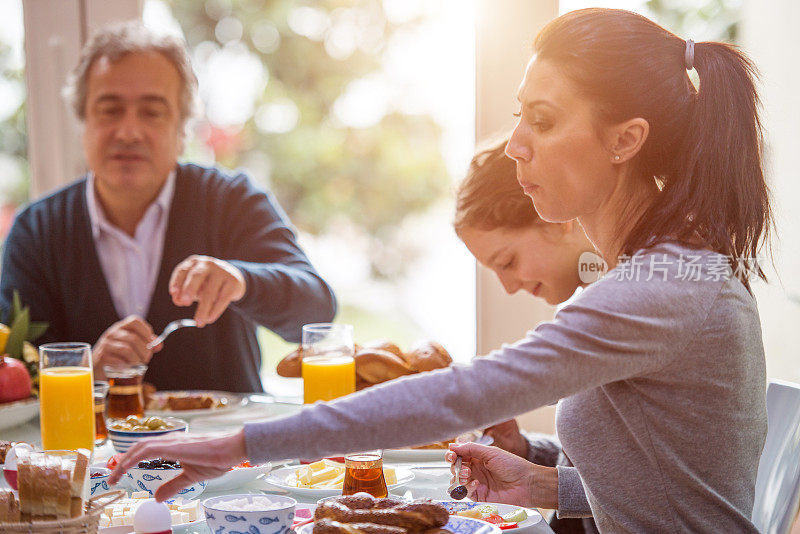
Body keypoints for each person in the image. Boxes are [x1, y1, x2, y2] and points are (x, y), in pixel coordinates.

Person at [110, 8, 772, 532]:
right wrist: (541, 478)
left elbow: (462, 393)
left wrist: (241, 445)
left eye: (543, 122)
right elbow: (672, 488)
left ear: (627, 140)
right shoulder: (666, 275)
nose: (514, 145)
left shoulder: (662, 289)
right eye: (520, 116)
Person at [0, 22, 337, 391]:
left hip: (225, 447)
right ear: (83, 125)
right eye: (110, 110)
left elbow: (317, 311)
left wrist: (242, 281)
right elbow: (13, 372)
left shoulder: (231, 201)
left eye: (152, 112)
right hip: (91, 449)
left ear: (182, 131)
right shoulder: (38, 229)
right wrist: (86, 371)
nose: (129, 131)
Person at [455, 140, 598, 534]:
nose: (507, 286)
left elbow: (673, 496)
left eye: (508, 262)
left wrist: (542, 486)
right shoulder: (595, 296)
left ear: (556, 217)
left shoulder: (624, 308)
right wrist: (525, 453)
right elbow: (610, 473)